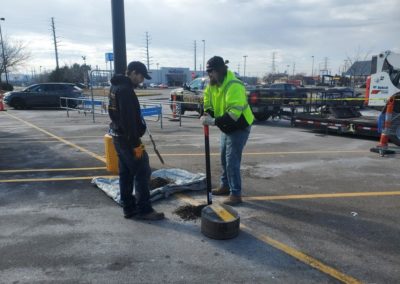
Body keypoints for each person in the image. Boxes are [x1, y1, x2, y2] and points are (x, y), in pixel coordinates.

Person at [108, 61, 164, 220]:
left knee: (125, 173)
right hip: (128, 140)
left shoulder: (115, 87)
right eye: (140, 76)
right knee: (142, 171)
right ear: (132, 73)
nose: (141, 80)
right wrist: (135, 144)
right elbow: (127, 121)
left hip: (118, 137)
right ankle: (145, 210)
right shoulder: (125, 91)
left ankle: (129, 208)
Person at [200, 56, 254, 205]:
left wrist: (213, 121)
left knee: (232, 161)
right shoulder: (213, 84)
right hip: (226, 126)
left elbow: (233, 115)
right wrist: (206, 112)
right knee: (224, 157)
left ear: (220, 70)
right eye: (208, 71)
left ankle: (235, 194)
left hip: (240, 126)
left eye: (212, 71)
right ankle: (225, 186)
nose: (209, 75)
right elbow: (207, 100)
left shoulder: (234, 85)